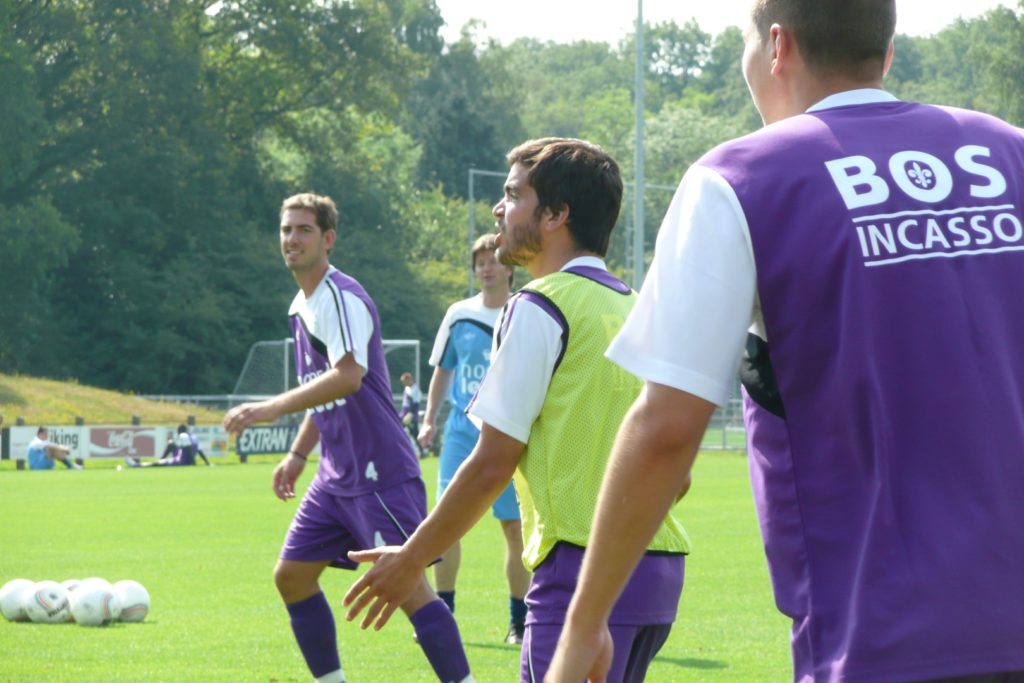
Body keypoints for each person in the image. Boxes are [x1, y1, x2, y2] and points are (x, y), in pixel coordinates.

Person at [547, 1, 1024, 681]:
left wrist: (585, 621)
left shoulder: (743, 177)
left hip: (881, 638)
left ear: (776, 46)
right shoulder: (1010, 151)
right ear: (886, 53)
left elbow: (666, 429)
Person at [342, 139, 690, 682]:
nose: (498, 209)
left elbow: (491, 464)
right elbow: (677, 473)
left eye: (512, 195)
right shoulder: (636, 306)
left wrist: (411, 559)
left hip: (580, 572)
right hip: (657, 573)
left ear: (555, 215)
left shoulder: (539, 305)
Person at [221, 192, 473, 683]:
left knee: (410, 588)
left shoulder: (340, 296)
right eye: (286, 230)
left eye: (304, 229)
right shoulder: (302, 306)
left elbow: (348, 376)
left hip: (378, 472)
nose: (292, 239)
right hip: (335, 477)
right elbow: (326, 391)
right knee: (292, 576)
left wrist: (270, 407)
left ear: (328, 238)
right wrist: (299, 453)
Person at [416, 233, 531, 644]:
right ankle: (441, 615)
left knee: (515, 529)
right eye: (480, 262)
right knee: (446, 524)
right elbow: (443, 371)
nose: (487, 268)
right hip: (462, 434)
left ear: (509, 268)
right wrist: (429, 419)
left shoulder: (525, 311)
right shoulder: (459, 314)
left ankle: (519, 622)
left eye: (493, 260)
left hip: (509, 434)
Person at [124, 429, 201, 468]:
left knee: (157, 463)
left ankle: (137, 465)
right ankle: (138, 464)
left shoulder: (187, 448)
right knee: (171, 445)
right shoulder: (187, 447)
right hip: (178, 458)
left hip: (178, 461)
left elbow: (190, 461)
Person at [397, 372, 425, 459]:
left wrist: (411, 414)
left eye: (404, 381)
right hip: (404, 413)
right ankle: (400, 451)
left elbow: (415, 403)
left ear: (409, 380)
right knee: (397, 429)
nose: (404, 384)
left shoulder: (416, 389)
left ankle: (422, 452)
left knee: (415, 434)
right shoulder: (407, 389)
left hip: (411, 414)